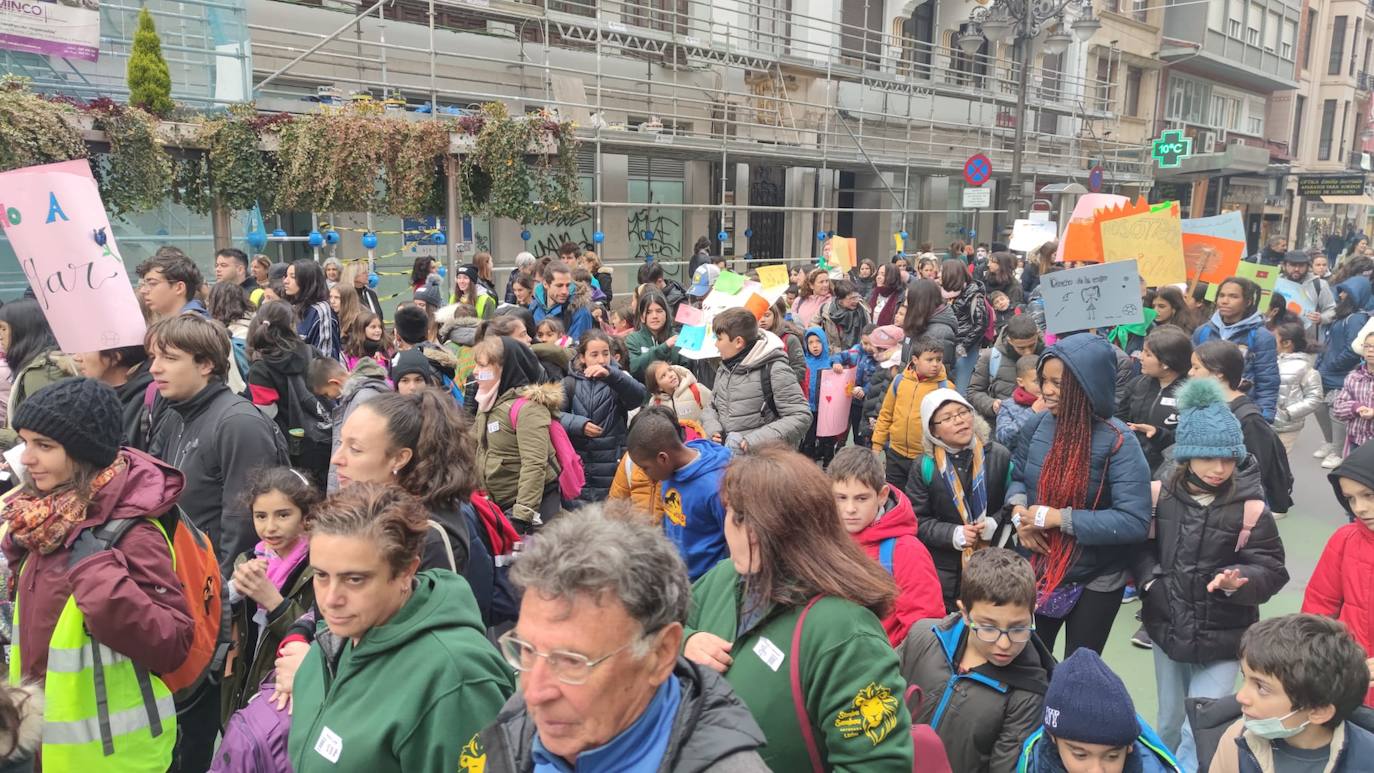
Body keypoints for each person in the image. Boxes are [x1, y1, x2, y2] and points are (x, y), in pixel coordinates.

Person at [469, 506, 768, 771]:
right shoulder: (517, 722)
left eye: (572, 661)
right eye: (527, 651)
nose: (533, 693)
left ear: (660, 653)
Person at [1, 378, 194, 772]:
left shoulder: (128, 531)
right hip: (45, 746)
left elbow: (172, 642)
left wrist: (96, 575)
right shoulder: (43, 519)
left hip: (112, 757)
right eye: (25, 442)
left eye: (45, 446)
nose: (26, 459)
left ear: (83, 453)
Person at [683, 445, 914, 771]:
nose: (745, 533)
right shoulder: (725, 578)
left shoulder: (846, 634)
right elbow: (657, 629)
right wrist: (685, 641)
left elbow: (877, 764)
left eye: (757, 521)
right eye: (737, 516)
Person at [287, 483, 515, 772]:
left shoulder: (457, 678)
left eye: (355, 579)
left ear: (407, 571)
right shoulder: (332, 642)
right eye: (321, 575)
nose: (331, 599)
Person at [1133, 378, 1288, 769]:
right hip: (1168, 624)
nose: (1219, 469)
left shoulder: (1251, 508)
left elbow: (1271, 567)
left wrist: (1241, 579)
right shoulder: (1158, 496)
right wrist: (1153, 581)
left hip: (1226, 631)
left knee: (1199, 725)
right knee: (1168, 720)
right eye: (1207, 458)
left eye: (1228, 459)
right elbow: (1140, 548)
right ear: (1186, 456)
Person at [1008, 334, 1151, 657]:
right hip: (1039, 569)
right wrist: (1020, 516)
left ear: (1087, 385)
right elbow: (1017, 479)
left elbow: (1134, 520)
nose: (1046, 390)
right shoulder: (1037, 426)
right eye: (1044, 381)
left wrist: (1060, 518)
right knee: (1028, 658)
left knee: (1079, 666)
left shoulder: (1119, 441)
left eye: (1058, 383)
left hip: (1096, 578)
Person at [330, 390, 496, 619]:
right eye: (340, 442)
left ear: (399, 458)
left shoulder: (427, 534)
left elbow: (431, 630)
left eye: (355, 449)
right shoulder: (368, 510)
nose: (336, 458)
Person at [147, 313, 289, 573]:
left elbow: (244, 525)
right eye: (154, 357)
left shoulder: (239, 424)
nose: (154, 368)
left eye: (169, 358)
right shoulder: (173, 416)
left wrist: (219, 597)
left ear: (206, 364)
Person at [898, 548, 1055, 773]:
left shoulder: (1028, 694)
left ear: (1033, 613)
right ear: (964, 613)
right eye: (989, 627)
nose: (1004, 643)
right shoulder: (923, 637)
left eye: (1018, 628)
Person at [1206, 614, 1374, 773]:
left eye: (1262, 687)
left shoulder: (1366, 759)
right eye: (1245, 677)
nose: (1240, 696)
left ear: (1318, 712)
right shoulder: (1236, 740)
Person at [221, 467, 321, 721]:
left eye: (283, 515)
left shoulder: (318, 567)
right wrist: (234, 592)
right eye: (261, 516)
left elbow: (319, 634)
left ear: (306, 516)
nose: (270, 527)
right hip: (242, 680)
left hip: (284, 689)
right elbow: (218, 622)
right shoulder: (249, 559)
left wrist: (274, 602)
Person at [908, 388, 1015, 611]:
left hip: (993, 564)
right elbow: (917, 520)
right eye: (947, 418)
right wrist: (954, 534)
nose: (959, 421)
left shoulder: (1000, 456)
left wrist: (994, 524)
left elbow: (1014, 505)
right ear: (933, 431)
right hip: (943, 572)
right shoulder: (925, 466)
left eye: (962, 413)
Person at [830, 446, 943, 645]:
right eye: (841, 498)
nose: (850, 509)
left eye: (861, 498)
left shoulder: (906, 551)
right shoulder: (823, 540)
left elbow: (922, 629)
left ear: (882, 495)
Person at [1017, 648, 1181, 772]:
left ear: (1129, 747)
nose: (1097, 770)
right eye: (1080, 755)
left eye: (1112, 757)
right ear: (1053, 738)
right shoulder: (1034, 761)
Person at [1302, 442, 1374, 707]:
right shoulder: (1344, 540)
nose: (1360, 508)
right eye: (1351, 498)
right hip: (1351, 687)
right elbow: (1318, 609)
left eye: (1369, 495)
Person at [626, 406, 731, 579]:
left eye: (645, 468)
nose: (645, 474)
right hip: (680, 579)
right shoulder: (669, 474)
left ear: (663, 458)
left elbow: (735, 547)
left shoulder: (716, 487)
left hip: (708, 585)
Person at [1191, 341, 1295, 513]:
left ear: (1218, 373)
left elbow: (1254, 471)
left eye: (1196, 368)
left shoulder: (1249, 420)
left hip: (1232, 506)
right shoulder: (1207, 406)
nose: (1190, 373)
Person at [472, 336, 561, 532]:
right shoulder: (488, 402)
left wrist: (521, 515)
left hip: (527, 513)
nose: (475, 372)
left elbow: (534, 464)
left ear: (505, 369)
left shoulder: (528, 409)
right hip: (498, 506)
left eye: (482, 366)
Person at [246, 300, 331, 483]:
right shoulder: (312, 352)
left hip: (289, 450)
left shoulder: (260, 368)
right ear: (292, 324)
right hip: (323, 439)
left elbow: (267, 414)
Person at [561, 329, 646, 503]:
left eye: (605, 354)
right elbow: (552, 416)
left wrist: (613, 376)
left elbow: (638, 397)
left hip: (612, 464)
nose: (601, 359)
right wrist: (578, 424)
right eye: (594, 354)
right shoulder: (570, 382)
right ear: (583, 358)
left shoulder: (619, 379)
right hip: (581, 466)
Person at [709, 308, 811, 450]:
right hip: (728, 457)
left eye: (719, 339)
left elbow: (800, 415)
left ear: (738, 342)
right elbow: (712, 406)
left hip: (762, 462)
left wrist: (754, 441)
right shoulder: (724, 368)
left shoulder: (774, 369)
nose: (716, 344)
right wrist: (712, 429)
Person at [1193, 277, 1280, 421]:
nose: (1225, 301)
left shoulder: (1260, 336)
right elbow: (1190, 372)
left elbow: (1268, 381)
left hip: (1239, 412)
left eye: (1233, 296)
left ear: (1248, 302)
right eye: (1221, 295)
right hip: (1203, 409)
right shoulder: (1203, 332)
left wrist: (1264, 417)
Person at [872, 336, 949, 491]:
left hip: (925, 457)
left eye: (939, 359)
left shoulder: (944, 388)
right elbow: (886, 414)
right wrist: (876, 446)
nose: (935, 364)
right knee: (894, 496)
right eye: (930, 359)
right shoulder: (900, 381)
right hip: (895, 453)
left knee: (918, 500)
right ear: (915, 360)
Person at [0, 299, 77, 449]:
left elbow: (46, 433)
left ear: (22, 330)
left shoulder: (40, 372)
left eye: (3, 329)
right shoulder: (41, 364)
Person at [1117, 327, 1192, 475]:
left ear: (1166, 363)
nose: (1140, 357)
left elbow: (1192, 436)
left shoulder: (1192, 393)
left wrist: (1159, 434)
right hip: (1132, 465)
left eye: (1148, 354)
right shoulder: (1137, 384)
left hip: (1171, 472)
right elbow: (1119, 418)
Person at [1314, 276, 1371, 468]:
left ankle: (1338, 452)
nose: (1341, 295)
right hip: (1326, 370)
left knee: (1336, 413)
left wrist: (1334, 365)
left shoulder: (1355, 319)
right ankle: (1330, 443)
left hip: (1340, 374)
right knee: (1320, 407)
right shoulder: (1341, 316)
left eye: (1346, 291)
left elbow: (1353, 349)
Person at [75, 344, 154, 450]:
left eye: (85, 351)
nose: (77, 358)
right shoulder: (87, 397)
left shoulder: (150, 397)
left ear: (115, 356)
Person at [969, 315, 1044, 421]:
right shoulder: (991, 358)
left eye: (1032, 345)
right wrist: (991, 404)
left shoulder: (1047, 355)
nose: (1028, 352)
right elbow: (974, 392)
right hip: (1007, 424)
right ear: (1009, 340)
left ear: (1037, 336)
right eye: (1021, 348)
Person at [1273, 322, 1324, 454]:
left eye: (1274, 339)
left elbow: (1315, 397)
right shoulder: (1269, 360)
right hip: (1265, 422)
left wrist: (1288, 413)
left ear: (1287, 343)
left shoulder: (1304, 367)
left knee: (1280, 463)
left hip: (1287, 427)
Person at [942, 258, 990, 393]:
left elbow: (981, 324)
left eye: (943, 271)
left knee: (961, 388)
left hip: (965, 350)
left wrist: (964, 346)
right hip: (951, 346)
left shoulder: (974, 295)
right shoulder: (950, 294)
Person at [644, 361, 721, 439]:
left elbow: (715, 409)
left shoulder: (696, 389)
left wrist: (712, 432)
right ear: (658, 387)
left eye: (670, 370)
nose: (670, 375)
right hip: (676, 448)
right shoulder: (656, 404)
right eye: (663, 376)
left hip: (703, 443)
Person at [284, 259, 342, 362]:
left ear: (307, 280)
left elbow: (325, 358)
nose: (286, 281)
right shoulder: (291, 307)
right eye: (286, 276)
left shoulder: (321, 311)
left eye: (293, 277)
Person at [1279, 250, 1336, 339]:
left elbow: (1332, 310)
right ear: (1285, 266)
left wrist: (1321, 318)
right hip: (1280, 338)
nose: (1297, 269)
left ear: (1307, 267)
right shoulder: (1277, 283)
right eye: (1293, 265)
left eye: (1301, 266)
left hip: (1308, 340)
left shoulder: (1319, 284)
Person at [531, 260, 594, 340]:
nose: (565, 291)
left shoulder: (579, 310)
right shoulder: (534, 307)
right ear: (545, 284)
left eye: (568, 285)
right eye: (559, 286)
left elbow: (578, 348)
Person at [901, 279, 959, 364]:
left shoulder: (941, 333)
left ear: (920, 302)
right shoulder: (915, 323)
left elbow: (938, 372)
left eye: (909, 299)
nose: (905, 304)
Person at [137, 248, 207, 319]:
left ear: (179, 288)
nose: (143, 291)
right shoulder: (174, 322)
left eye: (152, 283)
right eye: (144, 284)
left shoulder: (193, 326)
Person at [996, 355, 1044, 452]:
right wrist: (1032, 412)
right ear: (1021, 382)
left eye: (1045, 380)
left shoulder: (1055, 402)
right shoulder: (1008, 406)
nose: (1043, 386)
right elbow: (1003, 439)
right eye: (1037, 381)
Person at [761, 298, 807, 384]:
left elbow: (799, 368)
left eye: (767, 315)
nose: (762, 320)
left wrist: (782, 384)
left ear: (775, 316)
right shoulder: (754, 340)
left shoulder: (790, 339)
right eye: (758, 316)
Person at [825, 279, 872, 350]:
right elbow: (813, 324)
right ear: (840, 300)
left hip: (858, 353)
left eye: (857, 297)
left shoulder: (862, 310)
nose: (856, 301)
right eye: (852, 298)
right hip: (835, 355)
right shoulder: (827, 309)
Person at [869, 262, 906, 327]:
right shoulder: (873, 293)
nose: (878, 277)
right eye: (878, 274)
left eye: (883, 275)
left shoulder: (901, 297)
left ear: (892, 277)